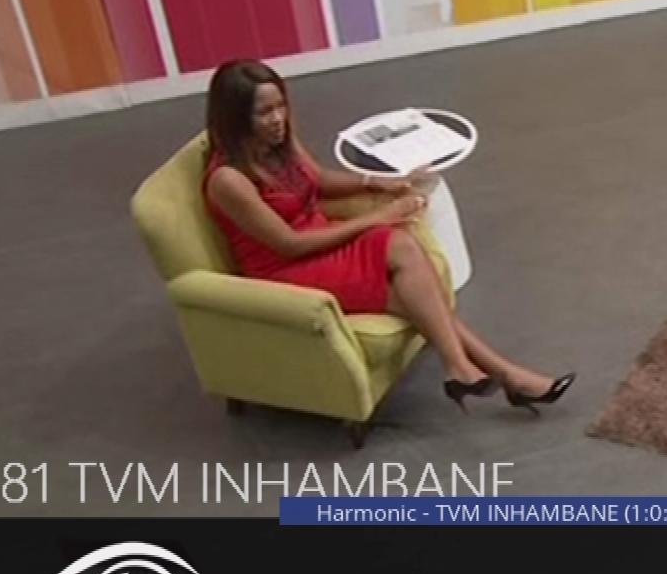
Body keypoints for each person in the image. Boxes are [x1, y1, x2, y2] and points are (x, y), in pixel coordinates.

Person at [201, 59, 573, 412]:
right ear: (236, 118)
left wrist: (375, 181)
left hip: (317, 239)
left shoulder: (277, 141)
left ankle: (479, 371)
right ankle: (495, 374)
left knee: (411, 276)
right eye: (264, 112)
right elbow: (288, 243)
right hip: (285, 268)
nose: (278, 118)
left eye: (280, 106)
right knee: (404, 259)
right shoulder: (228, 180)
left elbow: (319, 180)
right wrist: (378, 216)